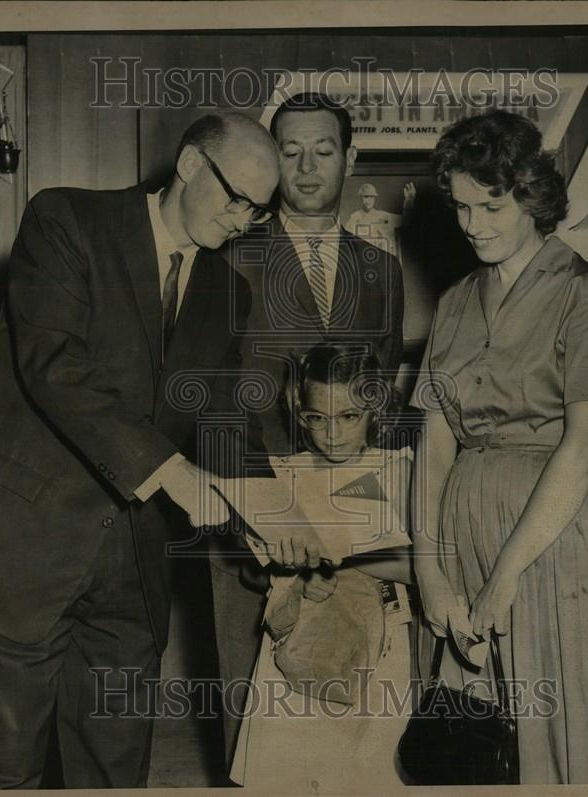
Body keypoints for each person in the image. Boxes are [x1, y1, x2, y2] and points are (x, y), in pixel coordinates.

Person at [0, 113, 280, 789]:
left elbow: (229, 419)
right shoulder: (66, 222)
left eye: (259, 211)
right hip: (14, 553)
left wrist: (276, 513)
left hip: (128, 577)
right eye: (237, 198)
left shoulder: (227, 292)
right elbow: (55, 366)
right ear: (192, 164)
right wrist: (170, 470)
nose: (242, 220)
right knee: (1, 776)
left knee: (114, 775)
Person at [409, 110, 588, 783]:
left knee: (573, 736)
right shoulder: (454, 301)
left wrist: (506, 573)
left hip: (555, 537)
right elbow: (436, 439)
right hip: (464, 529)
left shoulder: (584, 292)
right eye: (462, 206)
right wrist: (430, 567)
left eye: (491, 204)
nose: (473, 224)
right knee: (476, 747)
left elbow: (584, 448)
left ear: (531, 196)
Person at [210, 92, 406, 765]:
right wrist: (255, 502)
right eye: (289, 150)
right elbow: (209, 395)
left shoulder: (381, 269)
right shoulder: (229, 256)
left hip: (355, 518)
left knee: (354, 700)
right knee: (256, 707)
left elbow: (381, 396)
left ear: (350, 157)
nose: (307, 165)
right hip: (253, 508)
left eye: (324, 149)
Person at [230, 343, 414, 791]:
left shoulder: (396, 469)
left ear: (375, 409)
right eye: (317, 418)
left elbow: (415, 569)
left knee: (367, 771)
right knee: (294, 769)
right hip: (297, 645)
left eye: (349, 416)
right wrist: (285, 564)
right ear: (299, 411)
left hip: (378, 644)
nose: (331, 433)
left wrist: (335, 552)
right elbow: (252, 572)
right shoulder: (283, 473)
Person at [343, 181, 415, 256]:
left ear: (374, 198)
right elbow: (345, 240)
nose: (369, 200)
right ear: (361, 198)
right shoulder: (354, 217)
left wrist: (409, 201)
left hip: (380, 260)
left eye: (372, 196)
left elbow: (406, 220)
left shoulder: (383, 216)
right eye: (366, 196)